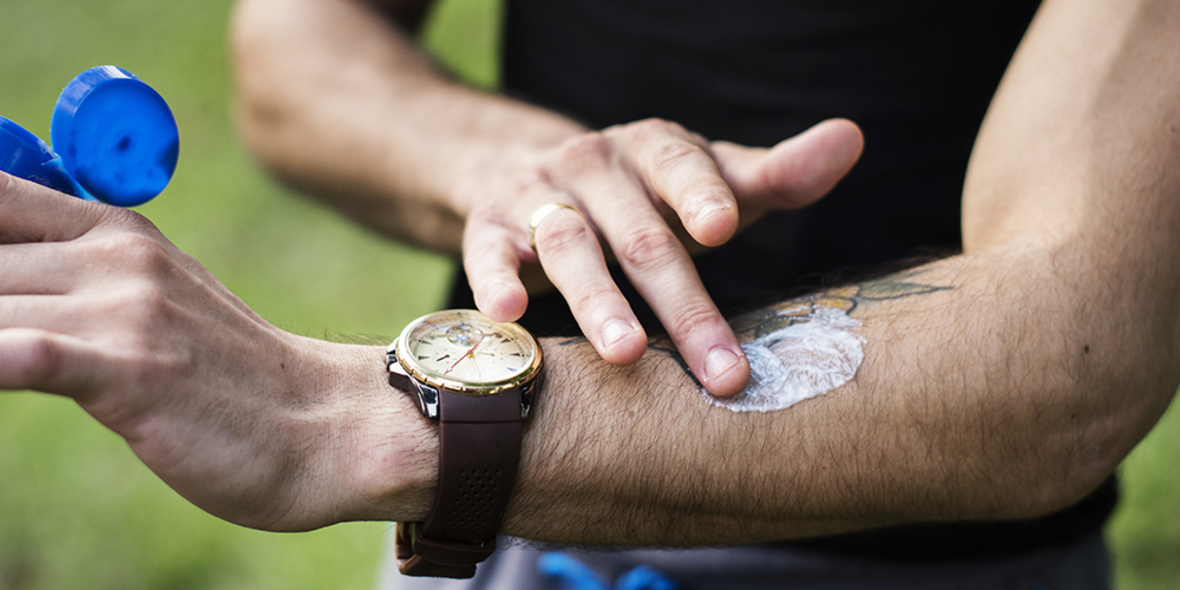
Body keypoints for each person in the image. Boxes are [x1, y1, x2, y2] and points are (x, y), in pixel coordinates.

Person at [0, 0, 1177, 588]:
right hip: (491, 543)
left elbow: (1071, 344)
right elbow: (300, 43)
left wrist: (354, 415)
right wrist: (495, 157)